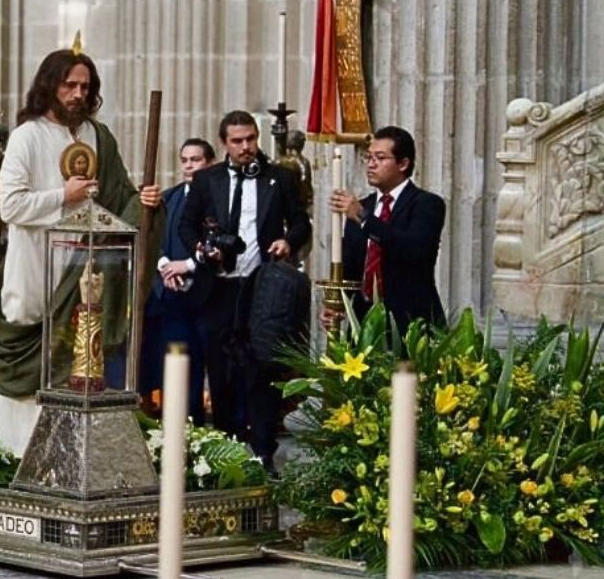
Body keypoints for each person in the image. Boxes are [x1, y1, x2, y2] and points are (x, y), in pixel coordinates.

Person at [0, 48, 161, 456]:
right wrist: (62, 196)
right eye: (70, 85)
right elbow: (9, 205)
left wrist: (147, 202)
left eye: (85, 86)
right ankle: (13, 453)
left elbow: (121, 199)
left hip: (85, 269)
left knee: (77, 359)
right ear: (50, 85)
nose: (78, 94)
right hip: (34, 264)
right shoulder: (27, 136)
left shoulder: (98, 137)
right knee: (31, 357)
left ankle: (64, 456)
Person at [178, 110, 311, 472]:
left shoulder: (279, 178)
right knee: (219, 373)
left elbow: (301, 221)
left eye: (251, 139)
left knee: (261, 373)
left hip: (261, 291)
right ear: (224, 143)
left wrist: (287, 240)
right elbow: (187, 226)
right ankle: (225, 450)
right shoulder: (207, 180)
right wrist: (203, 251)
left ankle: (263, 452)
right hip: (218, 289)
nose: (246, 147)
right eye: (238, 141)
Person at [328, 126, 446, 332]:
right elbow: (350, 267)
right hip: (365, 322)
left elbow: (413, 249)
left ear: (403, 163)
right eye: (369, 157)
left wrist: (363, 218)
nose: (371, 165)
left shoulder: (427, 204)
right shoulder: (362, 207)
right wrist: (336, 303)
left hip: (410, 321)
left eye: (380, 158)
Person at [139, 138, 215, 422]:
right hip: (170, 298)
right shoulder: (170, 198)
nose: (188, 165)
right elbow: (154, 237)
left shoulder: (215, 200)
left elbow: (215, 242)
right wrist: (164, 266)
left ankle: (199, 425)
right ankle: (172, 425)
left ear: (209, 163)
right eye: (184, 160)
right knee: (171, 366)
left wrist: (189, 267)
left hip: (204, 295)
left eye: (195, 160)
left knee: (200, 368)